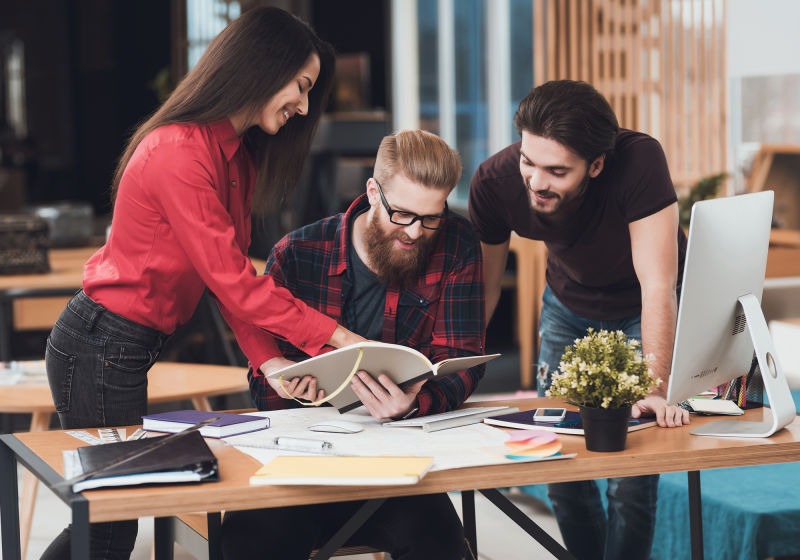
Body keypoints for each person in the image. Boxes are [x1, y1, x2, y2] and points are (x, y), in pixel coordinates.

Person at [42, 8, 364, 559]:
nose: (304, 106)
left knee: (114, 517)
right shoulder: (178, 151)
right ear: (261, 68)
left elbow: (229, 277)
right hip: (99, 345)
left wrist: (272, 363)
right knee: (108, 523)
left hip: (121, 348)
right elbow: (236, 283)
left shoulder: (234, 155)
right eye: (301, 86)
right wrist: (338, 337)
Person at [220, 129, 486, 559]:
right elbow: (264, 377)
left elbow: (464, 358)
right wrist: (294, 391)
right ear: (372, 192)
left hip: (400, 462)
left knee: (441, 549)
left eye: (431, 217)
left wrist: (415, 403)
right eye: (402, 214)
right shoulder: (298, 253)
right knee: (246, 545)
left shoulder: (456, 243)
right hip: (301, 464)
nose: (416, 232)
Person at [468, 80, 691, 560]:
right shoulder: (494, 182)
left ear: (596, 164)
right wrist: (458, 375)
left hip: (642, 310)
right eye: (529, 161)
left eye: (556, 171)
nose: (536, 181)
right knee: (560, 461)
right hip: (568, 307)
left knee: (629, 473)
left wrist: (654, 385)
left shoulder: (639, 162)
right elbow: (482, 293)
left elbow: (657, 285)